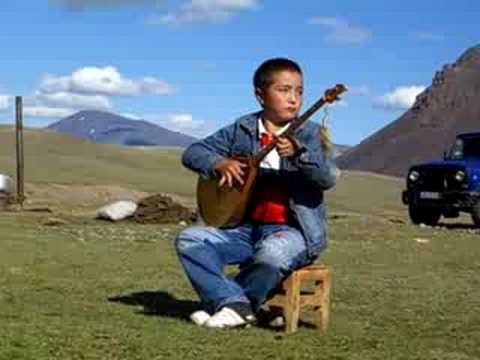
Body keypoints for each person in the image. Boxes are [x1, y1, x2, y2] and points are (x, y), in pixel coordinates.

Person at [175, 57, 337, 329]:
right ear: (260, 95)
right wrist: (218, 163)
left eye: (299, 91)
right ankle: (236, 305)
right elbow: (193, 153)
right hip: (244, 229)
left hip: (293, 232)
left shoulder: (309, 134)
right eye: (284, 90)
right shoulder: (242, 129)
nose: (293, 99)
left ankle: (229, 305)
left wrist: (300, 155)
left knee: (272, 254)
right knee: (189, 240)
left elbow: (327, 178)